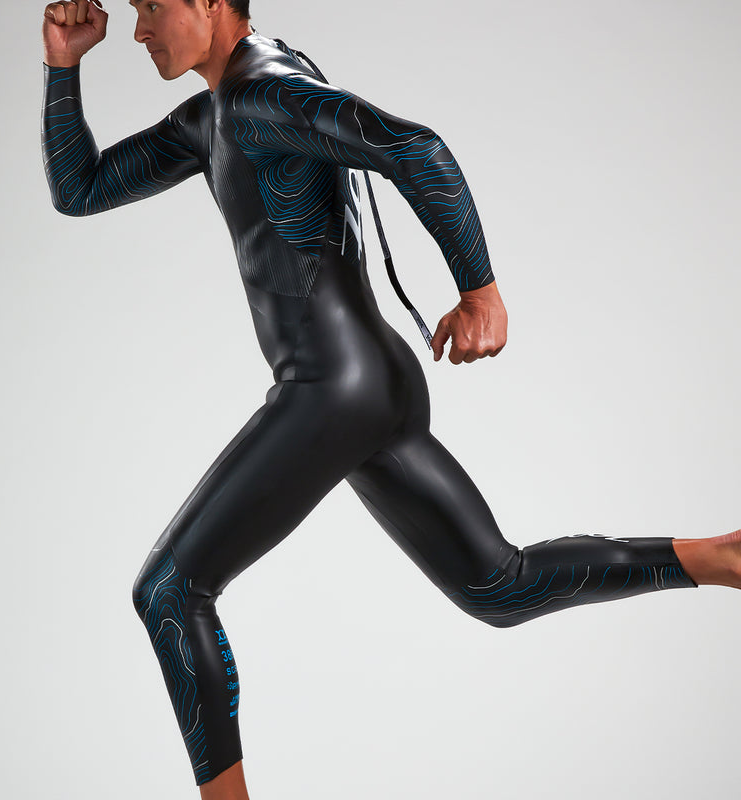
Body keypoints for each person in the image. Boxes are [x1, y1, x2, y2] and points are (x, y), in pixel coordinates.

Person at [40, 1, 740, 797]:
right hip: (371, 382)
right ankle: (720, 557)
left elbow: (415, 146)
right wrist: (63, 64)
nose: (138, 30)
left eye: (152, 7)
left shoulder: (263, 94)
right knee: (499, 585)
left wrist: (481, 292)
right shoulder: (214, 116)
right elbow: (80, 188)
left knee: (170, 591)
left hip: (331, 390)